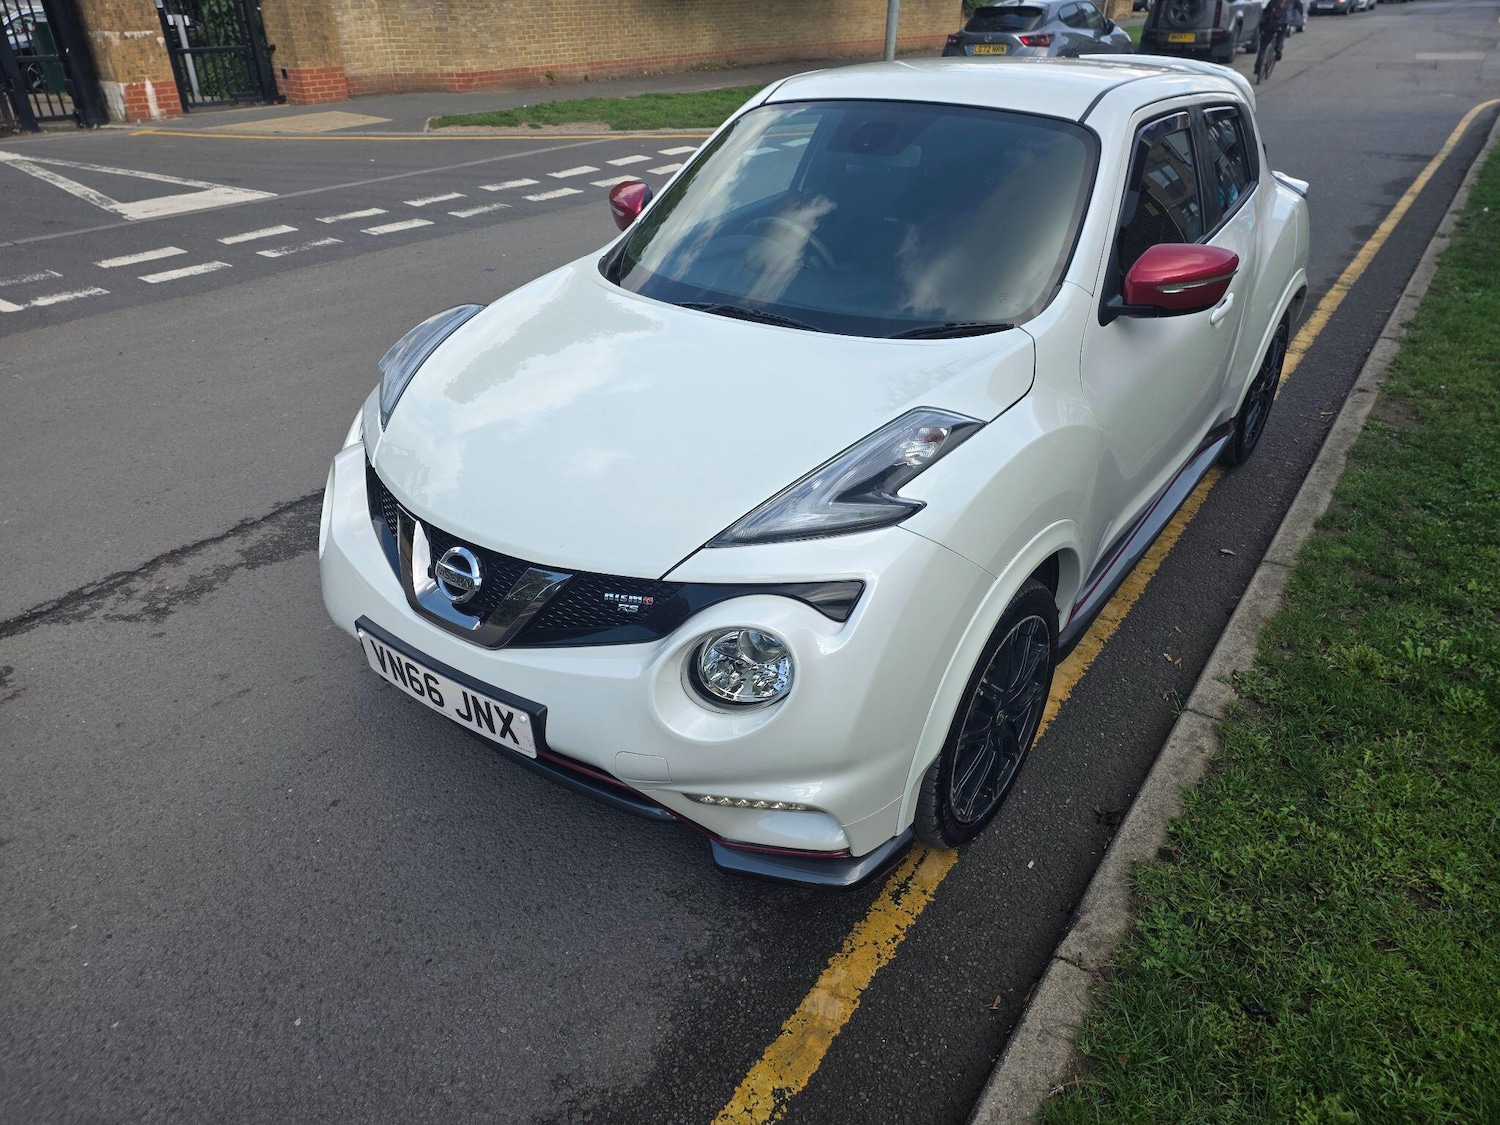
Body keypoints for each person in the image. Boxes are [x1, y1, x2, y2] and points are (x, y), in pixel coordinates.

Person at [1259, 0, 1289, 64]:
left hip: (1269, 25)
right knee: (1281, 36)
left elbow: (1264, 13)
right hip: (1279, 25)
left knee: (1263, 45)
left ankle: (1258, 64)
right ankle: (1278, 49)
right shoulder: (1289, 4)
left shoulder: (1272, 2)